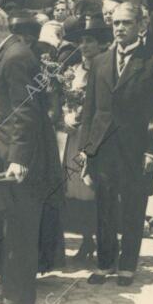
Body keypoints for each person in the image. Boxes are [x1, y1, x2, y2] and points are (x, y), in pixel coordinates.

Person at [0, 6, 62, 304]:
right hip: (14, 151)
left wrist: (18, 159)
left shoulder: (14, 57)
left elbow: (25, 113)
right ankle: (13, 288)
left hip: (21, 157)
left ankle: (18, 296)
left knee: (20, 227)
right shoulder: (11, 53)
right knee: (15, 224)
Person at [80, 2, 153, 286]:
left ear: (141, 26)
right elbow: (90, 109)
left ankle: (128, 266)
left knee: (133, 206)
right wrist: (87, 149)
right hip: (104, 148)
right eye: (116, 23)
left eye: (127, 23)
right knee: (104, 206)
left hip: (137, 149)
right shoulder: (100, 62)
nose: (120, 28)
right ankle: (105, 263)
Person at [59, 18, 113, 261]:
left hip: (96, 136)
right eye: (81, 41)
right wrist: (66, 116)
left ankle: (103, 241)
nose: (84, 46)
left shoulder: (107, 68)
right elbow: (62, 99)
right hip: (74, 135)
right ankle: (85, 239)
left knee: (94, 187)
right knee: (75, 188)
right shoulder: (73, 70)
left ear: (102, 44)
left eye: (90, 41)